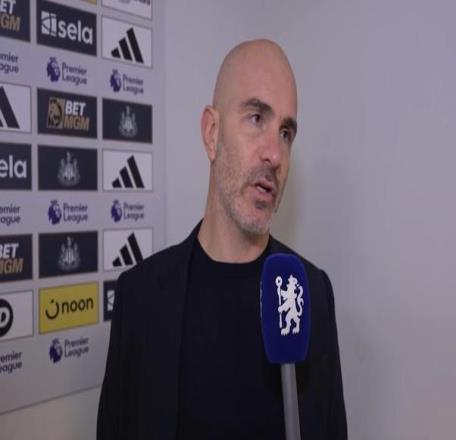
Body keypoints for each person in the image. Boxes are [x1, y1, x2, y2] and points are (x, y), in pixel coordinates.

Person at [97, 39, 347, 439]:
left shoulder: (312, 294)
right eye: (256, 118)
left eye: (285, 132)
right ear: (212, 133)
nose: (275, 155)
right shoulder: (140, 298)